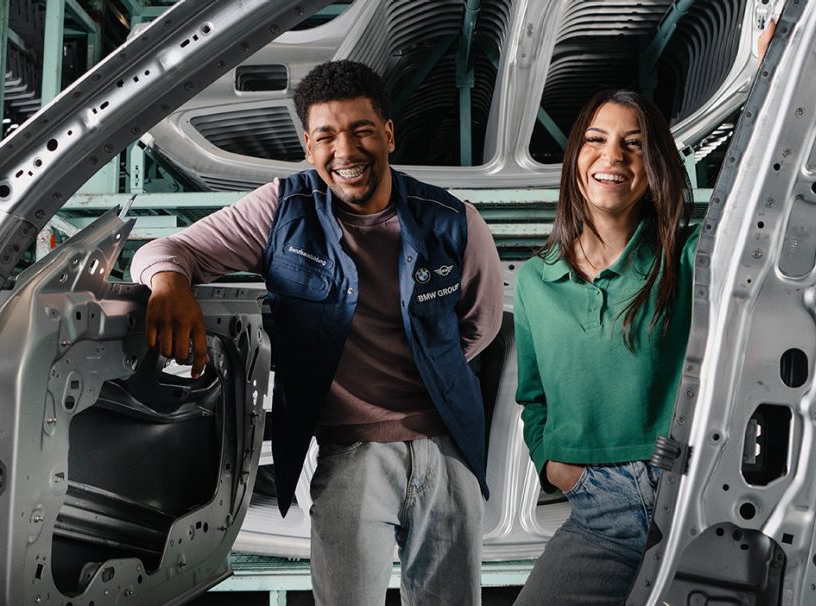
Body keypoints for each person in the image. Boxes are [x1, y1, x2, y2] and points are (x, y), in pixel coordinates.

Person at [129, 60, 504, 605]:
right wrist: (168, 285)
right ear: (309, 145)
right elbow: (170, 249)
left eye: (361, 131)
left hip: (448, 449)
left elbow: (480, 324)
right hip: (350, 454)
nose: (345, 151)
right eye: (327, 135)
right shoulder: (282, 210)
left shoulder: (453, 220)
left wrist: (429, 367)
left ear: (389, 135)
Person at [510, 89, 699, 605]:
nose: (612, 156)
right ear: (576, 157)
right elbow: (534, 395)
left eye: (633, 144)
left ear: (655, 165)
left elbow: (764, 203)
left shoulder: (687, 257)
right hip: (600, 508)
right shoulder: (534, 280)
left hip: (690, 494)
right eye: (596, 139)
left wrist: (768, 82)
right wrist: (551, 463)